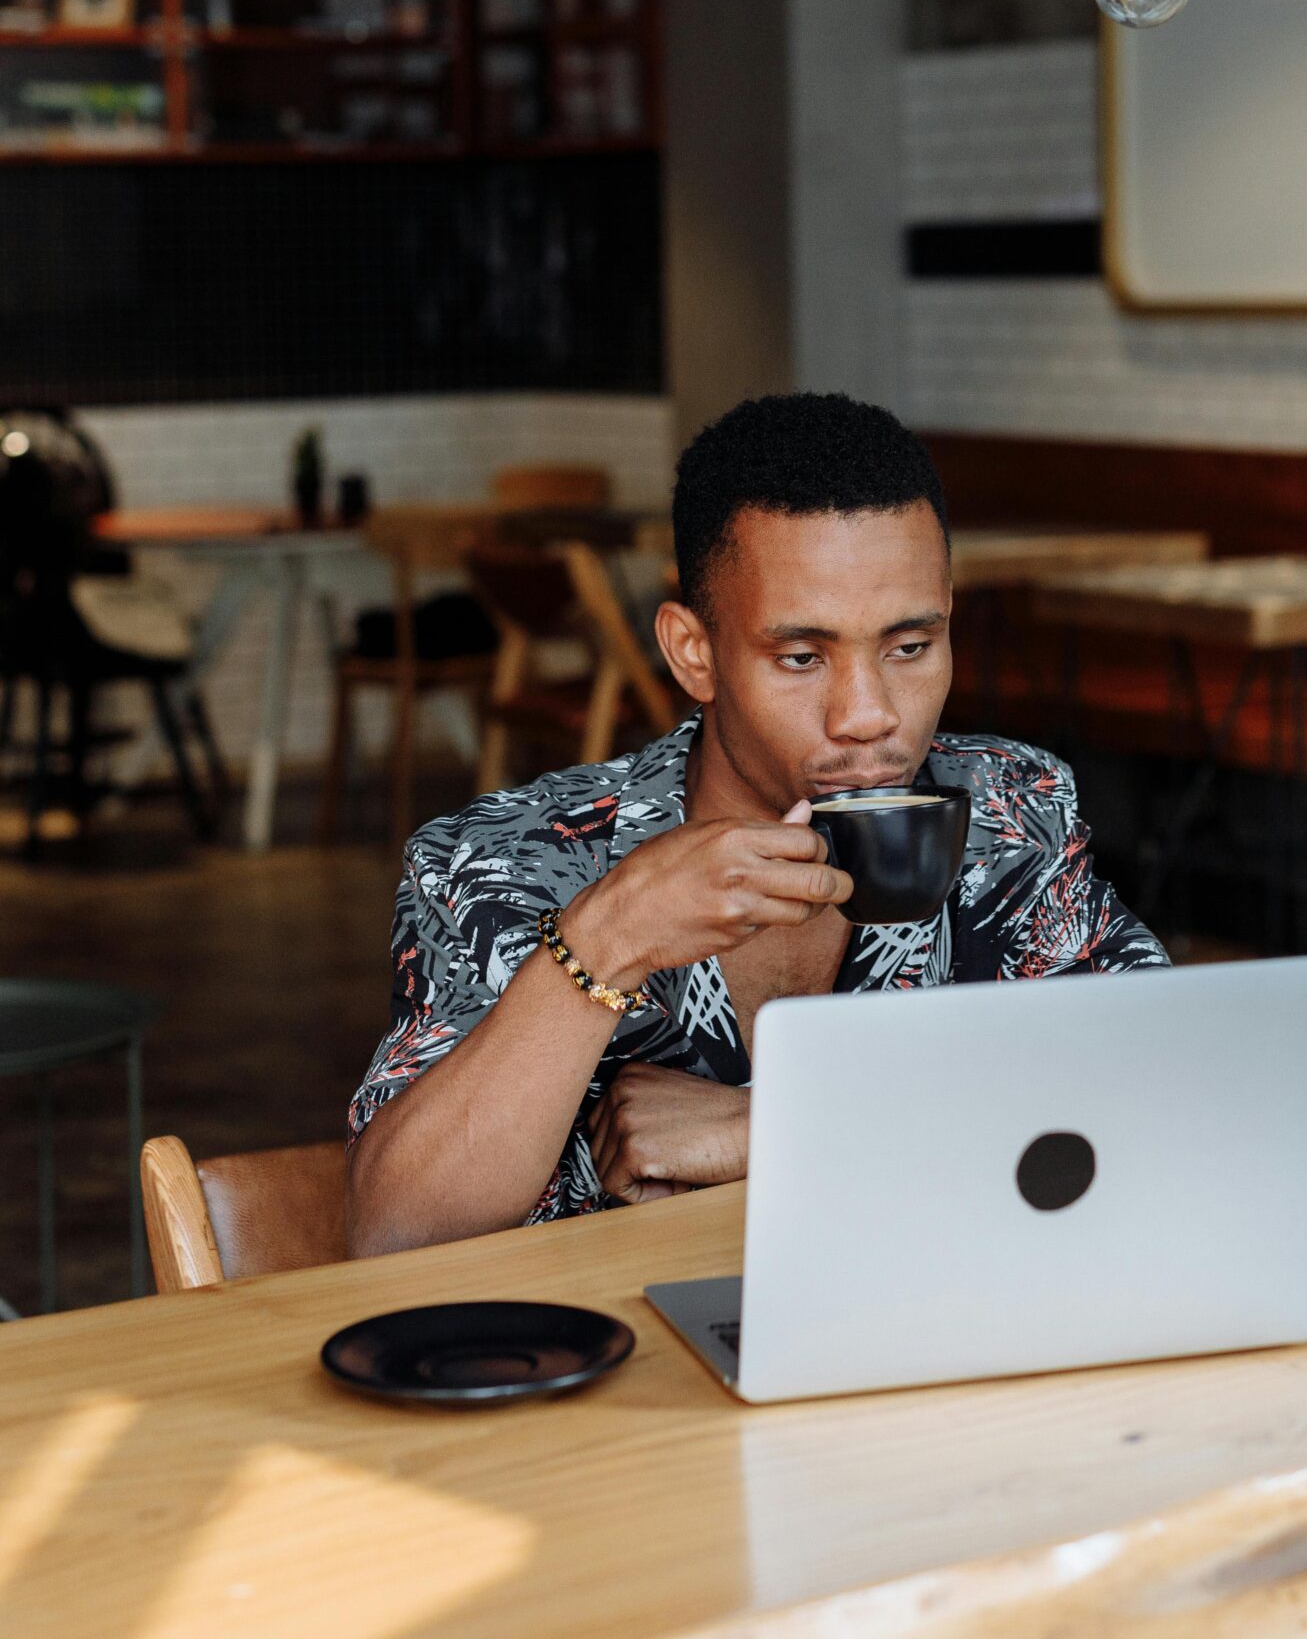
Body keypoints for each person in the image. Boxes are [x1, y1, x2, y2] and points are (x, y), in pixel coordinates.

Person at [347, 393, 1167, 1254]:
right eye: (802, 657)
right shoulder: (501, 862)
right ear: (693, 652)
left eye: (909, 647)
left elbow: (1167, 1086)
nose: (868, 715)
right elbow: (392, 1232)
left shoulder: (1012, 810)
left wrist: (778, 1127)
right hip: (621, 1368)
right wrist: (604, 939)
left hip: (934, 1340)